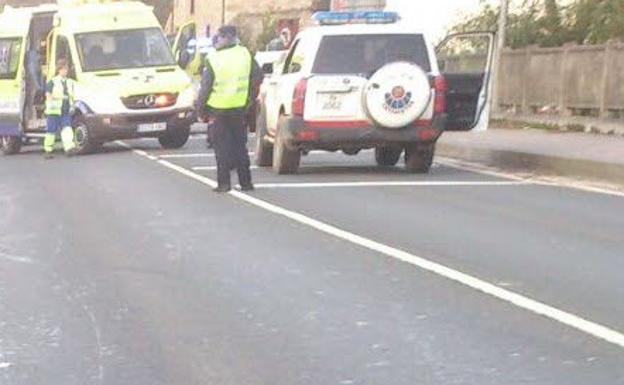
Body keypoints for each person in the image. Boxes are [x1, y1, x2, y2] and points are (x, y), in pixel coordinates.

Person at [196, 26, 262, 193]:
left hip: (218, 110)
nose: (216, 40)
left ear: (226, 38)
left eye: (219, 37)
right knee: (240, 147)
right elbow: (257, 77)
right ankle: (246, 183)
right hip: (239, 109)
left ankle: (224, 184)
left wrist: (200, 109)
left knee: (221, 149)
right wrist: (250, 100)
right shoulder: (245, 54)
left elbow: (206, 87)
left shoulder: (213, 58)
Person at [43, 59, 76, 158]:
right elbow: (48, 95)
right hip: (53, 111)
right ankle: (48, 151)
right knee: (51, 132)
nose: (65, 71)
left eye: (66, 69)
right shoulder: (52, 82)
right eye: (63, 69)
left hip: (65, 110)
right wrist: (59, 97)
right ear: (59, 69)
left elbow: (72, 96)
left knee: (67, 129)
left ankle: (69, 148)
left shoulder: (70, 82)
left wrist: (72, 106)